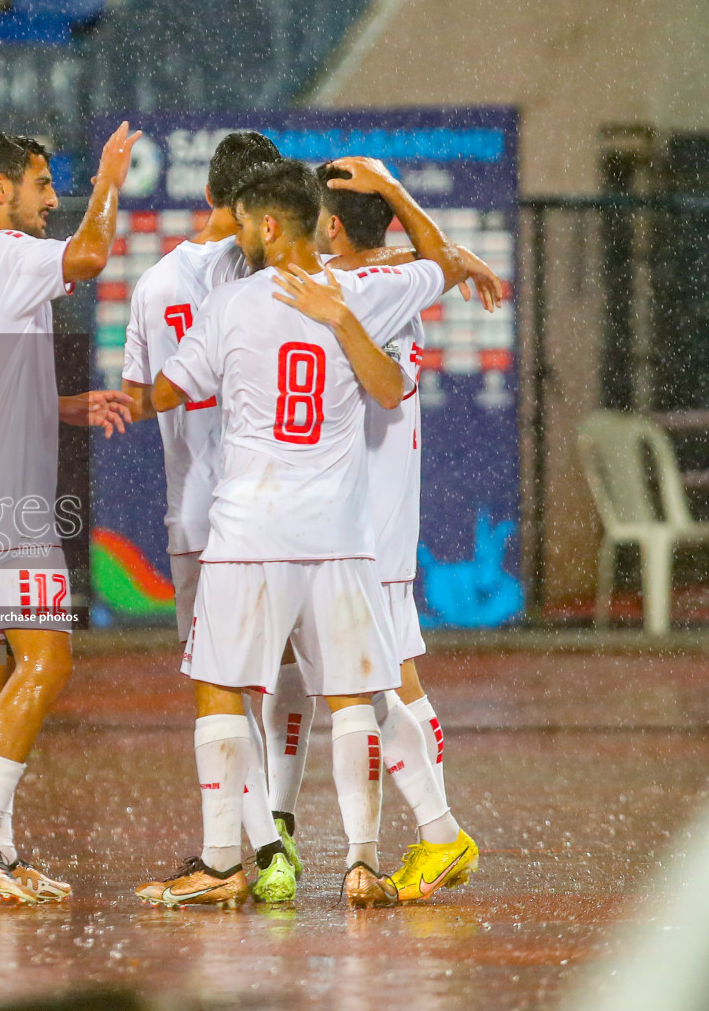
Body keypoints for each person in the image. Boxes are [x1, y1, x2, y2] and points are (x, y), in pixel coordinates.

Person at [137, 158, 468, 908]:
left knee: (221, 685)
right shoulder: (364, 293)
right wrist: (390, 196)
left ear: (269, 224)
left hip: (250, 532)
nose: (242, 232)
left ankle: (225, 861)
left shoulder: (229, 304)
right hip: (343, 535)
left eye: (248, 221)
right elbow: (441, 268)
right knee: (354, 698)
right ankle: (360, 861)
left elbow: (166, 389)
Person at [255, 160, 498, 902]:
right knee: (372, 681)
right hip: (341, 519)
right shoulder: (371, 277)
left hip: (371, 525)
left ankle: (436, 834)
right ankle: (417, 835)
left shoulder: (384, 295)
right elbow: (440, 262)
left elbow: (436, 271)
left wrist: (391, 191)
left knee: (384, 684)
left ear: (331, 224)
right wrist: (397, 203)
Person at [0, 125, 140, 905]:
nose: (53, 200)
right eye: (43, 184)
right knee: (47, 663)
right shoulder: (8, 256)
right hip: (6, 502)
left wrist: (60, 407)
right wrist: (110, 181)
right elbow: (89, 254)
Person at [119, 131, 301, 904]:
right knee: (292, 672)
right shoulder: (270, 276)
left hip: (201, 514)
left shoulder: (157, 286)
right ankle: (274, 828)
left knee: (217, 685)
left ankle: (249, 850)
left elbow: (138, 397)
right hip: (283, 510)